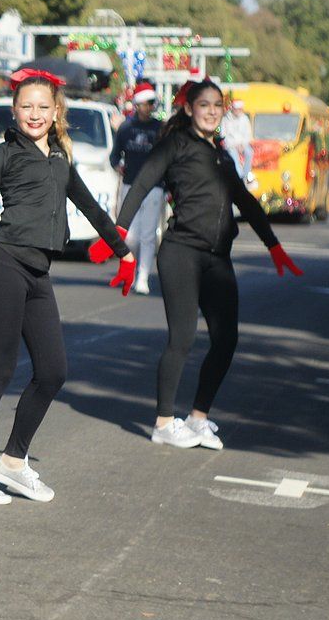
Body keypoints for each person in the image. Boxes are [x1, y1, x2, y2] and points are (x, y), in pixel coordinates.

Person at [0, 69, 135, 505]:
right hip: (3, 264)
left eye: (42, 107)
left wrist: (123, 252)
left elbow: (90, 207)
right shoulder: (3, 154)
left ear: (56, 112)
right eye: (26, 106)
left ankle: (12, 462)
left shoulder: (60, 158)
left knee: (53, 371)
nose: (34, 114)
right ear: (14, 112)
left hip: (38, 272)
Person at [117, 79, 303, 451]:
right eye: (204, 104)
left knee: (226, 339)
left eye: (218, 105)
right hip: (181, 252)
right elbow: (140, 185)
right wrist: (119, 237)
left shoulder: (220, 154)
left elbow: (246, 202)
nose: (212, 111)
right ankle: (163, 423)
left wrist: (273, 245)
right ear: (189, 108)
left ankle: (197, 418)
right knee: (182, 338)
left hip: (217, 258)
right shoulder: (175, 144)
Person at [109, 81, 165, 294]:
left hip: (154, 187)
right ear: (137, 104)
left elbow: (167, 157)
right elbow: (115, 154)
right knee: (130, 235)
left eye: (151, 103)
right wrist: (117, 166)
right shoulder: (126, 128)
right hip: (130, 184)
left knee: (148, 234)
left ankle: (143, 277)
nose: (149, 107)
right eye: (145, 103)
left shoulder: (160, 128)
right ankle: (131, 270)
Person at [219, 98, 253, 180]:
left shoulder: (244, 118)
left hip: (242, 143)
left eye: (240, 109)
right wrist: (232, 144)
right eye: (237, 109)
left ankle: (246, 175)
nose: (239, 111)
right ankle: (240, 177)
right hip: (230, 144)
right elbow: (222, 134)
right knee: (235, 158)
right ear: (233, 109)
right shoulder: (225, 119)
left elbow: (248, 133)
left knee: (249, 152)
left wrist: (243, 144)